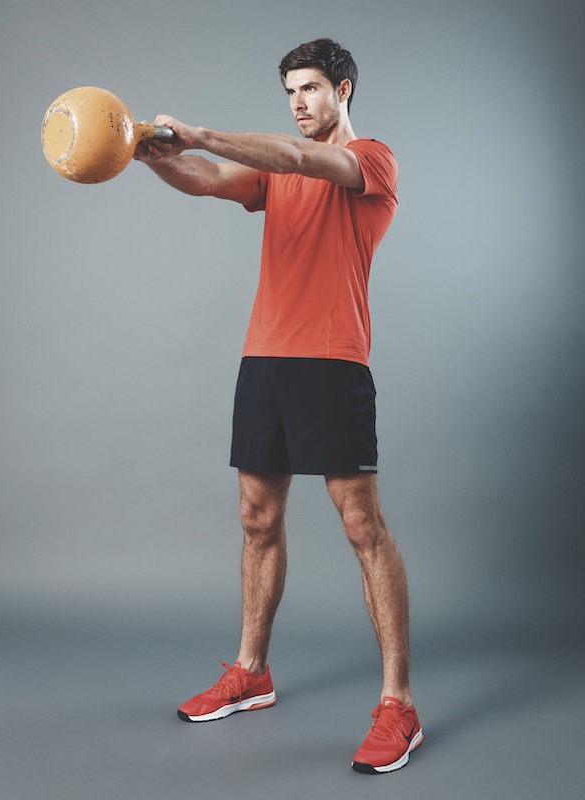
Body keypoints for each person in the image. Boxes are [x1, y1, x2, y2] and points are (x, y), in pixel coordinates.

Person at [134, 37, 423, 774]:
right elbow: (205, 181)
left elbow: (294, 160)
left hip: (333, 362)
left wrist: (197, 129)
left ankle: (398, 706)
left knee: (364, 526)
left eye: (311, 89)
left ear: (344, 90)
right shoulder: (274, 172)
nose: (299, 102)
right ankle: (251, 672)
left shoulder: (372, 162)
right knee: (257, 518)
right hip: (264, 358)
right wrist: (151, 155)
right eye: (290, 91)